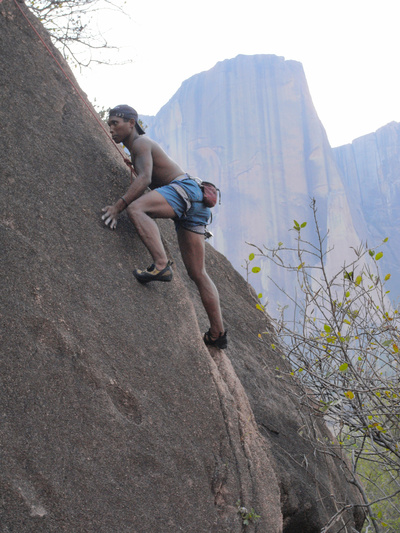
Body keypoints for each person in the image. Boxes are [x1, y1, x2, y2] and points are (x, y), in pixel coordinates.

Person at [102, 105, 227, 349]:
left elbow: (145, 179)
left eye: (115, 123)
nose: (111, 129)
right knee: (198, 273)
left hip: (185, 190)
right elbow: (148, 173)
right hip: (198, 200)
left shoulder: (140, 143)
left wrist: (117, 207)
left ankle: (161, 266)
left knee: (136, 209)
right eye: (109, 124)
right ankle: (218, 334)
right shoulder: (139, 148)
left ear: (131, 122)